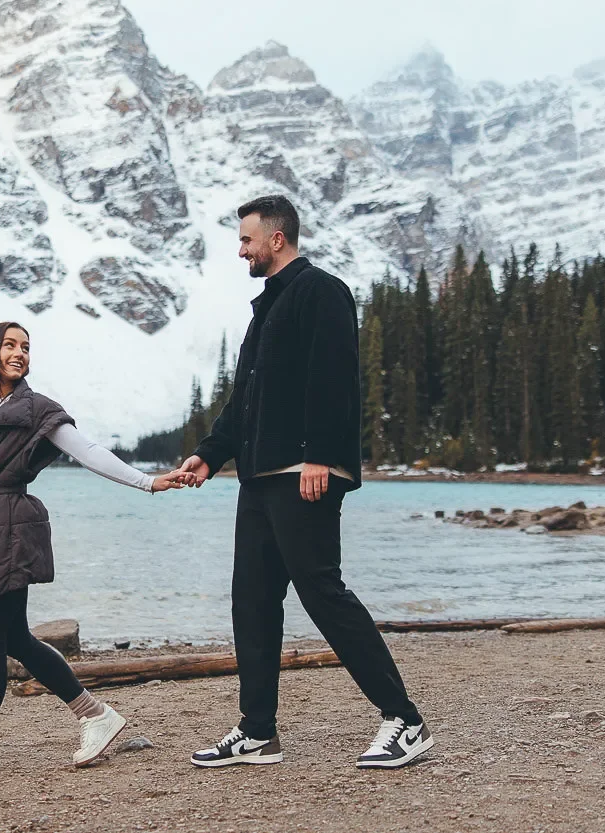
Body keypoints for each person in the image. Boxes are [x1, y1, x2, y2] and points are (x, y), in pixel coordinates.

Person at [177, 194, 432, 770]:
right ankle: (257, 731)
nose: (240, 250)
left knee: (323, 593)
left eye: (246, 240)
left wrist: (321, 455)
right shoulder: (267, 307)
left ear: (276, 238)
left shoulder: (322, 291)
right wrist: (210, 453)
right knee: (254, 600)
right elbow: (246, 400)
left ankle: (406, 721)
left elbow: (335, 380)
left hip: (304, 474)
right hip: (259, 477)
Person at [0, 320, 191, 778]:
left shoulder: (34, 410)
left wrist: (147, 481)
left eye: (26, 347)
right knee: (15, 638)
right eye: (10, 344)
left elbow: (87, 450)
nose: (20, 353)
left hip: (7, 527)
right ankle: (95, 715)